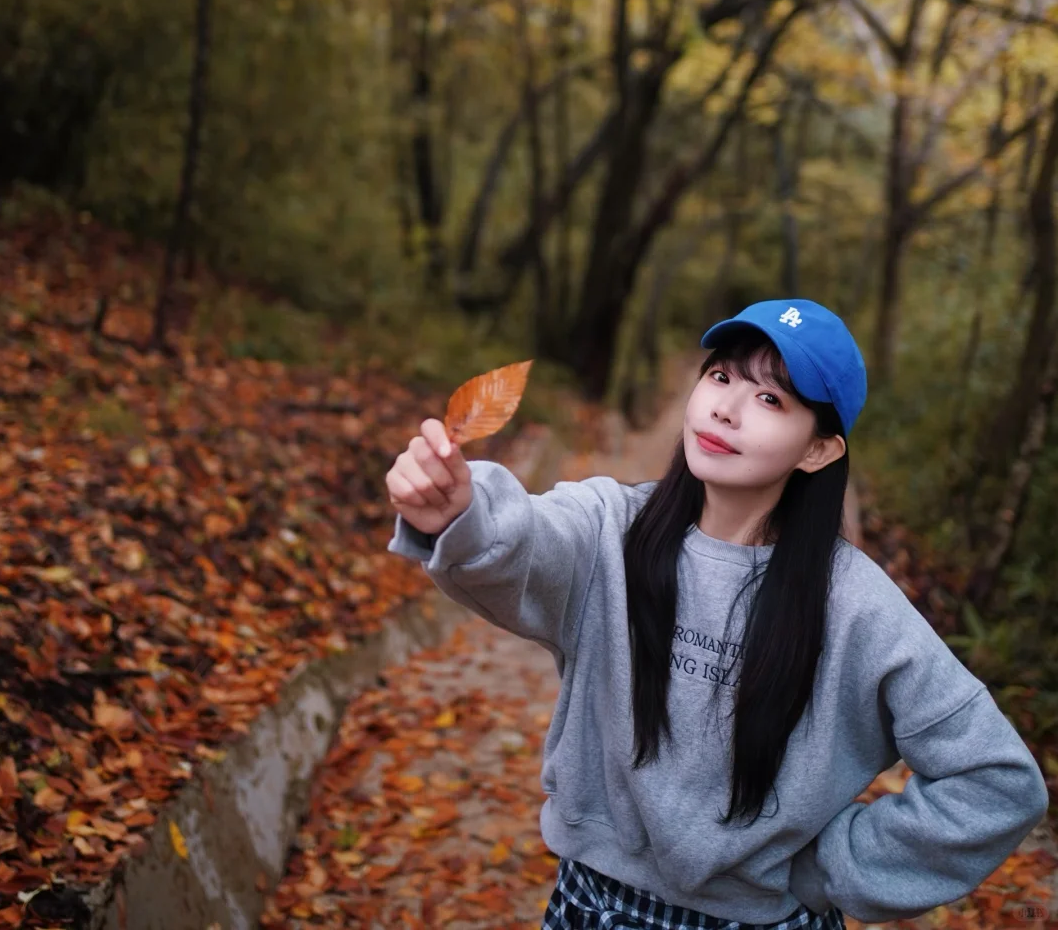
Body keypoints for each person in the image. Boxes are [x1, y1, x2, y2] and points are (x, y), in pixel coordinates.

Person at [386, 298, 1050, 930]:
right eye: (721, 374)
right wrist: (461, 514)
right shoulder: (613, 530)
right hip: (592, 905)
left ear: (818, 449)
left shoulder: (855, 605)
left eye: (770, 397)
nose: (726, 408)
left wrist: (830, 865)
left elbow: (995, 783)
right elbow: (529, 537)